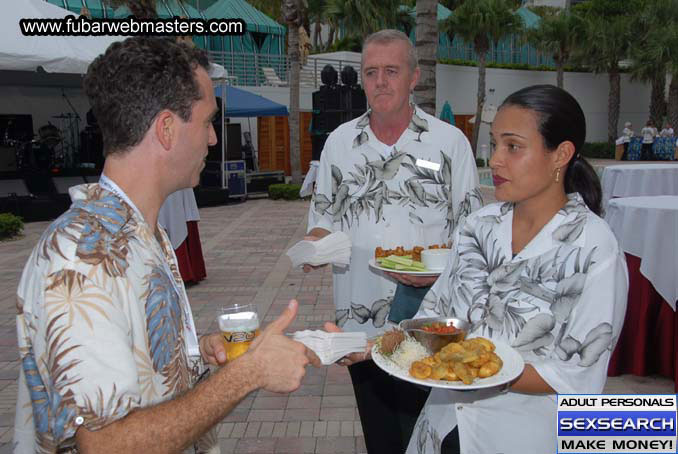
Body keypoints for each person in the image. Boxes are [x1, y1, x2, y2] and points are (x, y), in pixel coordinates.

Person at [14, 37, 318, 453]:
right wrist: (248, 373)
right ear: (167, 129)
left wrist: (190, 355)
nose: (213, 138)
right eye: (208, 121)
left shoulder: (139, 234)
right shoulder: (82, 260)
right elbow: (108, 445)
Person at [405, 85, 628, 453]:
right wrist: (382, 347)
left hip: (525, 435)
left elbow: (580, 373)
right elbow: (437, 312)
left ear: (561, 154)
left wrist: (470, 368)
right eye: (494, 144)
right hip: (443, 425)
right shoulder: (479, 226)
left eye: (512, 146)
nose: (494, 160)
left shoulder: (594, 248)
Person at [306, 29, 481, 453]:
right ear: (362, 80)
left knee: (432, 431)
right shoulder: (339, 144)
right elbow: (322, 220)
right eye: (371, 72)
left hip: (428, 321)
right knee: (382, 436)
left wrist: (435, 274)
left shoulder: (449, 143)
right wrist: (313, 248)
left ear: (413, 77)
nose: (381, 81)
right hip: (360, 320)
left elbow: (474, 234)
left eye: (391, 71)